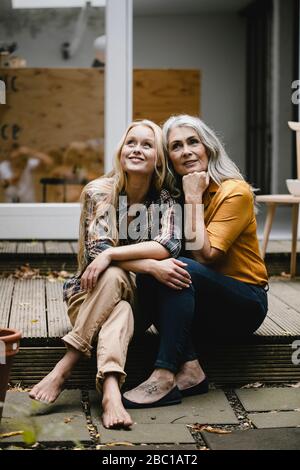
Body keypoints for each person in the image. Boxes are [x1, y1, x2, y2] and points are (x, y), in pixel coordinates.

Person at [29, 119, 182, 428]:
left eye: (147, 145)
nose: (137, 149)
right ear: (121, 150)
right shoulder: (99, 191)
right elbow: (98, 249)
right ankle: (111, 391)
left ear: (158, 159)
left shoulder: (166, 198)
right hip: (87, 298)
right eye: (131, 142)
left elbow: (169, 244)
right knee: (116, 291)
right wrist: (149, 264)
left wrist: (114, 254)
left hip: (142, 303)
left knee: (118, 280)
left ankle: (65, 364)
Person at [122, 114, 269, 408]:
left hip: (243, 304)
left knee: (180, 268)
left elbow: (207, 255)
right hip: (197, 305)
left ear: (208, 148)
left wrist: (192, 199)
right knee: (156, 272)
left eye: (193, 142)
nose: (186, 151)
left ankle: (164, 373)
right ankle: (190, 369)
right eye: (176, 146)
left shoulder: (233, 191)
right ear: (169, 158)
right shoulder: (171, 195)